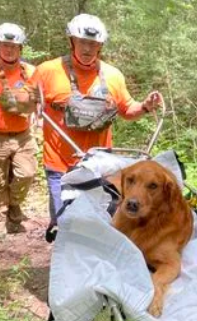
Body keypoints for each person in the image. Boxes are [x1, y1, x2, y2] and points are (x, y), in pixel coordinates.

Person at [27, 13, 162, 224]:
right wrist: (29, 105)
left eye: (93, 43)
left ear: (100, 46)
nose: (87, 49)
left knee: (100, 222)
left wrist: (145, 106)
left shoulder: (113, 75)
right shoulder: (47, 71)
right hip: (60, 165)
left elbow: (127, 110)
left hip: (100, 166)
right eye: (82, 42)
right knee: (64, 223)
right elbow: (27, 101)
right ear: (72, 41)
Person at [0, 23, 37, 240]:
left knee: (27, 174)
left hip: (23, 135)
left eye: (13, 46)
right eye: (4, 45)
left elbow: (33, 101)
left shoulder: (30, 72)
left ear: (21, 48)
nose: (8, 49)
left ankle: (14, 207)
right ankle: (9, 214)